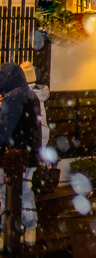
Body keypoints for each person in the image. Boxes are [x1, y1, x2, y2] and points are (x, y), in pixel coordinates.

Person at [0, 62, 42, 248]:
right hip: (29, 155)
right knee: (25, 191)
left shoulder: (13, 98)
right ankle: (30, 229)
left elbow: (3, 128)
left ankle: (5, 233)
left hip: (11, 157)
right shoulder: (32, 96)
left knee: (5, 193)